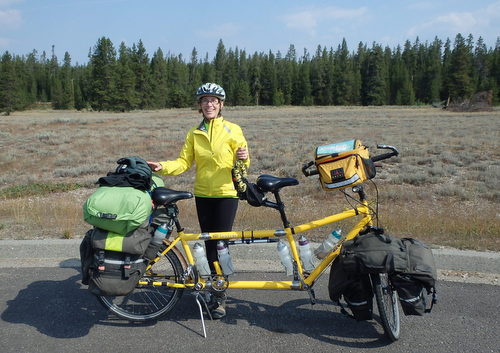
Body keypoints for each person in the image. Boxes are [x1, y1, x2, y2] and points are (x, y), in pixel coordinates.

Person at [147, 83, 249, 319]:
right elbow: (183, 162)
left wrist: (243, 158)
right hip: (203, 195)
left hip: (226, 194)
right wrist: (163, 166)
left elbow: (243, 164)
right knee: (208, 243)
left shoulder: (233, 130)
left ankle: (219, 295)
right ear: (200, 106)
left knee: (220, 245)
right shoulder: (195, 133)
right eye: (205, 100)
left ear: (221, 105)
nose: (209, 104)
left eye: (214, 100)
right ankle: (213, 288)